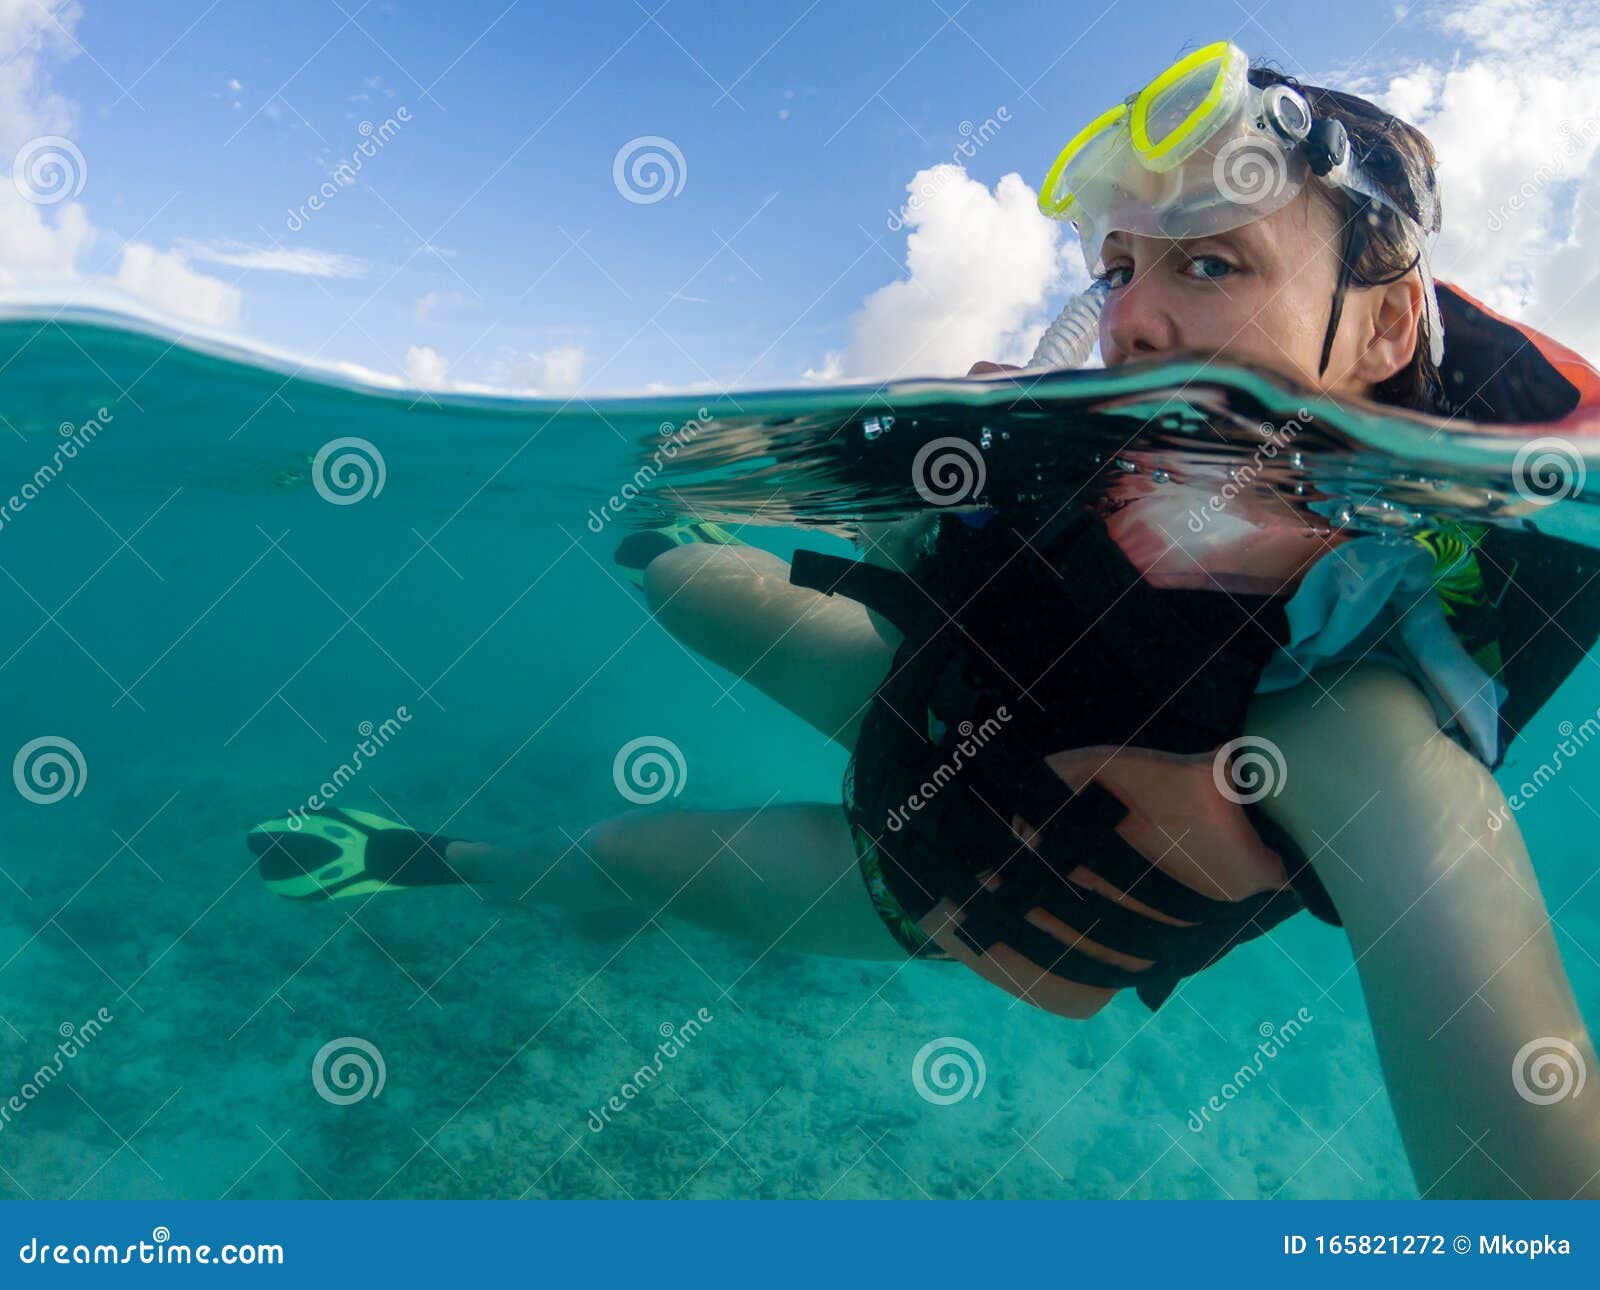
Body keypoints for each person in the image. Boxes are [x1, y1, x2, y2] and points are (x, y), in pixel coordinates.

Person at [248, 43, 1600, 1197]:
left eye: (1210, 262)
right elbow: (927, 542)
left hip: (937, 890)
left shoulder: (1352, 727)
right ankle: (653, 540)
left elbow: (1535, 1171)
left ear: (1384, 332)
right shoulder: (1078, 435)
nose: (1133, 320)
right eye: (1119, 266)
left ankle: (431, 857)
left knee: (627, 853)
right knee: (679, 579)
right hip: (923, 696)